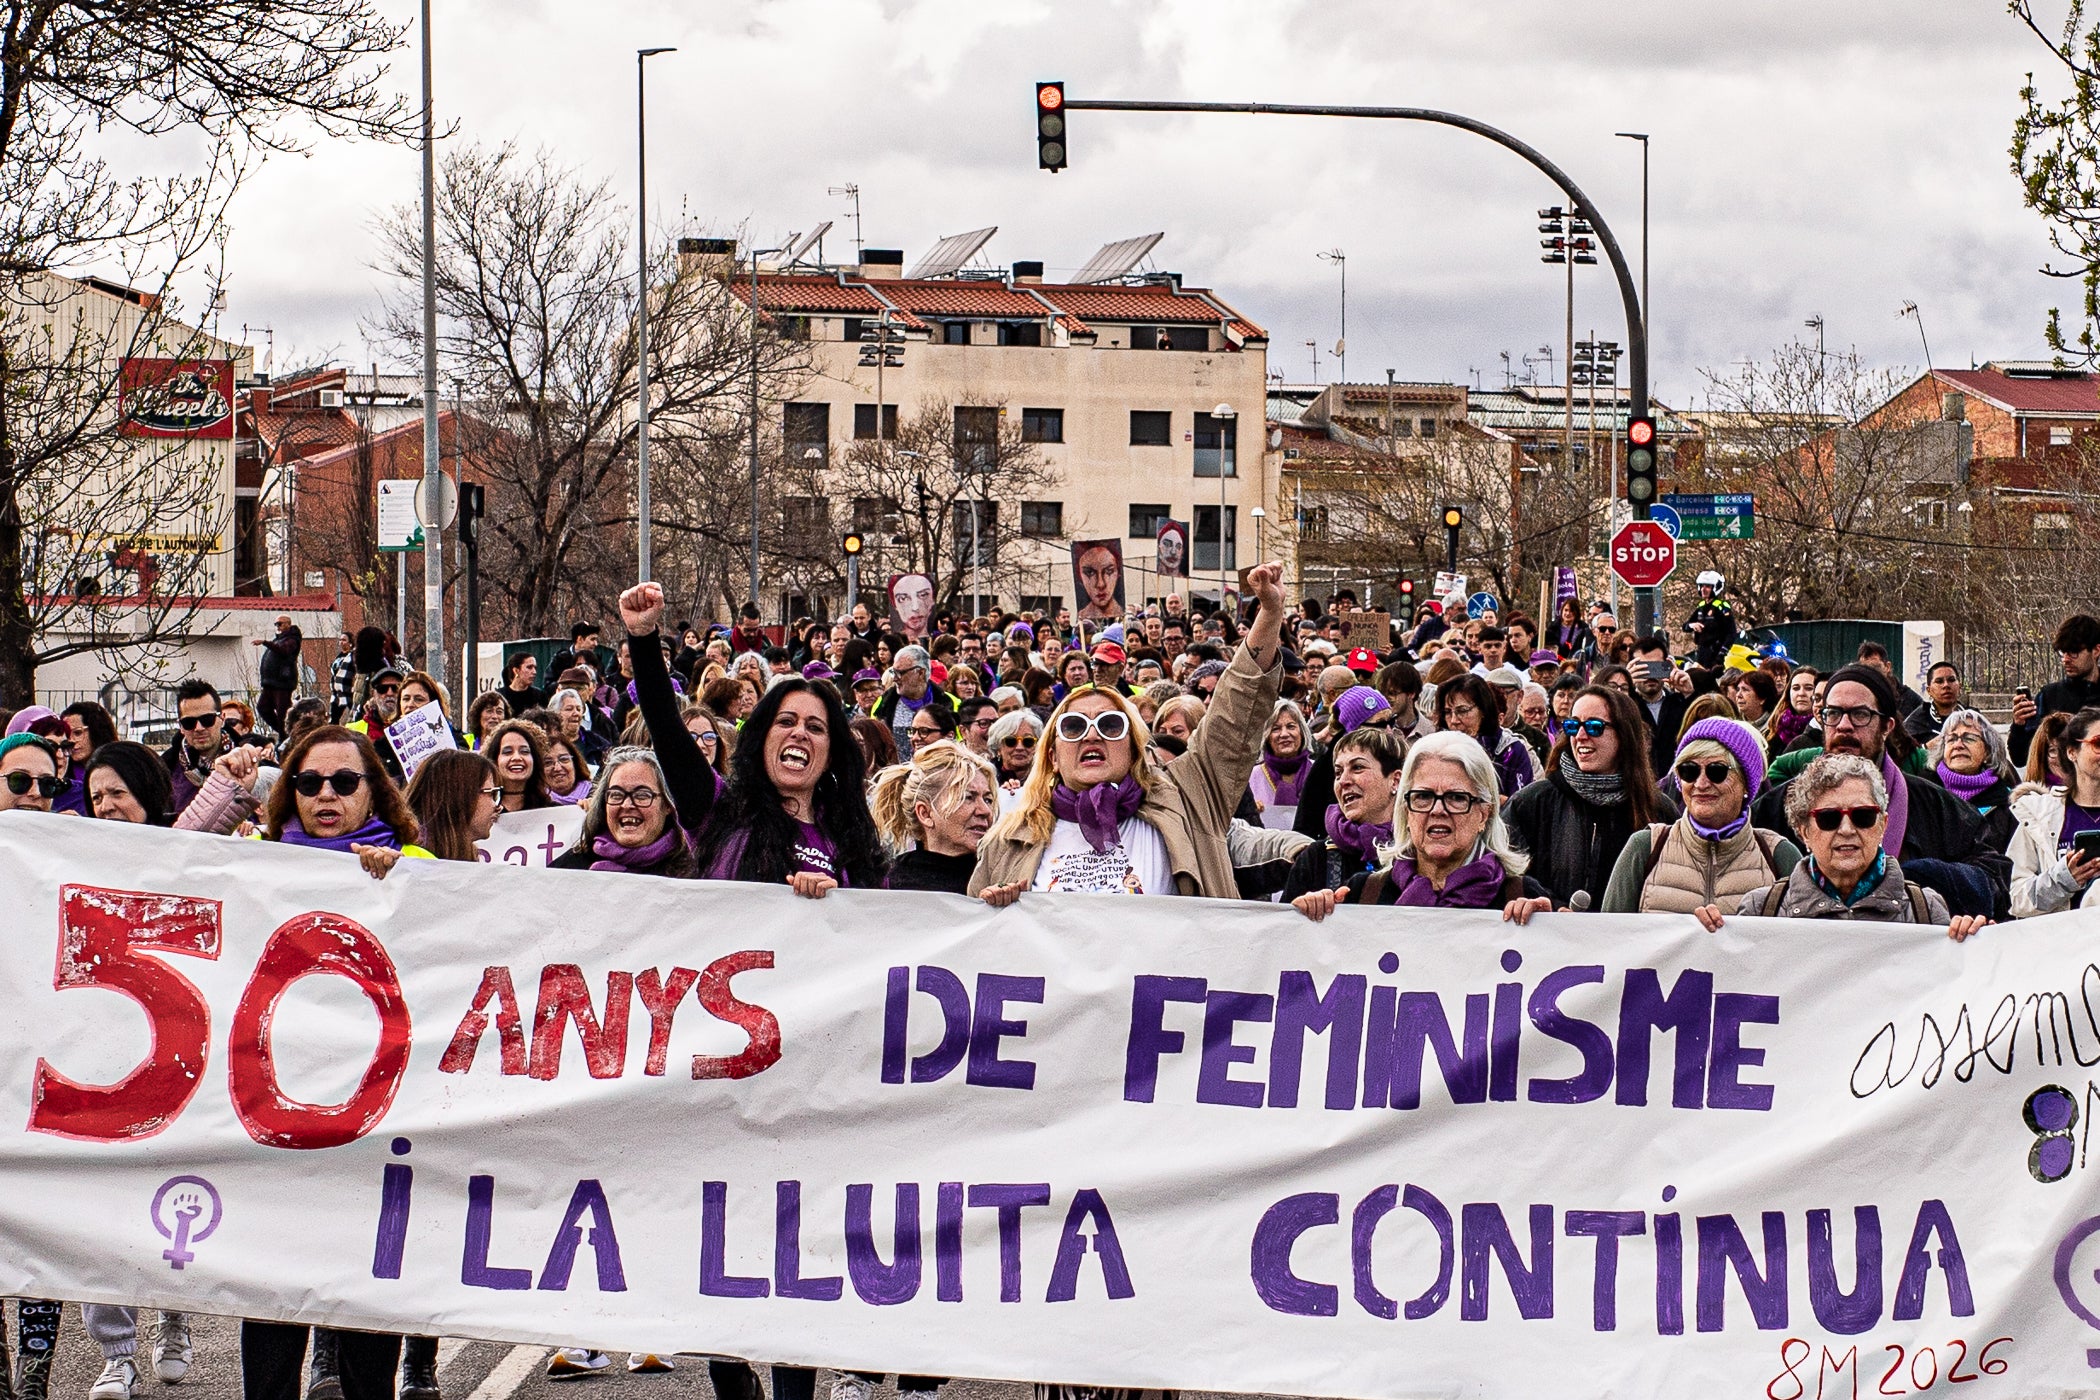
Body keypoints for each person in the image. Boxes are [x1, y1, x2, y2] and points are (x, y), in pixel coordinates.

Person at [970, 561, 1287, 901]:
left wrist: (1269, 613)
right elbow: (978, 937)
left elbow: (1233, 720)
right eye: (1074, 726)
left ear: (1135, 748)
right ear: (1053, 756)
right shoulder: (1008, 839)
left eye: (1110, 724)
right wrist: (997, 910)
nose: (1092, 736)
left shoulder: (1187, 799)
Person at [623, 582, 888, 894]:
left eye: (815, 727)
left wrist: (833, 901)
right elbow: (666, 727)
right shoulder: (719, 810)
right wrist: (642, 638)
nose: (799, 733)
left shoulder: (852, 837)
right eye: (786, 721)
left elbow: (874, 926)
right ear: (762, 740)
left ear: (831, 753)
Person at [1750, 665, 2011, 919]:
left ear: (1887, 726)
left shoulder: (1935, 805)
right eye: (1833, 714)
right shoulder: (1780, 806)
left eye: (1860, 714)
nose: (1844, 725)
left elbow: (1995, 882)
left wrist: (1923, 877)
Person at [1721, 753, 1986, 937]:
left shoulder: (1924, 909)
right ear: (1803, 832)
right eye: (1829, 818)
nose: (1847, 830)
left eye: (1863, 816)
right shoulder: (1762, 909)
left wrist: (1975, 946)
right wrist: (1706, 938)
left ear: (1882, 824)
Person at [1290, 731, 1548, 917]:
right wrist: (1313, 922)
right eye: (1423, 797)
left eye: (1456, 798)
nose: (1438, 810)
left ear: (1484, 814)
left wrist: (1553, 932)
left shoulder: (1520, 895)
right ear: (1406, 811)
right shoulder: (1363, 893)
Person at [1603, 719, 1799, 915]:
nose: (1701, 783)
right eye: (1689, 771)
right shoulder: (1645, 848)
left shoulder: (1778, 855)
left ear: (1746, 783)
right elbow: (1612, 938)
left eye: (1717, 771)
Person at [1507, 685, 1676, 912]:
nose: (1580, 736)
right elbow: (1501, 871)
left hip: (1628, 943)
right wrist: (1548, 904)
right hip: (1549, 941)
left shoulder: (1658, 810)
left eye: (1594, 727)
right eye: (1573, 725)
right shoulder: (1531, 802)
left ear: (1624, 734)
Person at [1280, 726, 1403, 901]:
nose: (1343, 781)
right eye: (1338, 772)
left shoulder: (1417, 853)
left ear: (1395, 780)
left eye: (1358, 768)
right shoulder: (1316, 858)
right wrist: (1307, 909)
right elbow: (1286, 925)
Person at [872, 740, 998, 895]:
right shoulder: (888, 886)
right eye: (967, 797)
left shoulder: (1002, 876)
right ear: (925, 813)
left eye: (988, 800)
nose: (985, 811)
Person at [2009, 706, 2100, 917]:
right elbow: (2016, 898)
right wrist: (2063, 881)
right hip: (2060, 944)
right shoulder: (2038, 815)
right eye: (2097, 743)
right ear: (2071, 752)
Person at [2011, 614, 2100, 767]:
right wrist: (2019, 726)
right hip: (2058, 786)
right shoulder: (2049, 696)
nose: (2066, 659)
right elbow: (2021, 758)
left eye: (2073, 652)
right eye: (2062, 652)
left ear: (2096, 650)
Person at [1932, 708, 2021, 855]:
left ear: (1988, 750)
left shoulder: (2007, 804)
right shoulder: (1928, 794)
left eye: (1969, 738)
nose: (1958, 745)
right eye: (1951, 739)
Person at [1435, 672, 1534, 797]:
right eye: (1447, 712)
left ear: (1483, 711)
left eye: (1463, 711)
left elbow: (1522, 805)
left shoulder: (1510, 750)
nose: (1454, 720)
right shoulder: (1437, 749)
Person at [403, 748, 502, 861]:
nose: (498, 807)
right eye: (491, 793)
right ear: (461, 797)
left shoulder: (463, 856)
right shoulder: (402, 861)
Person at [871, 645, 955, 762]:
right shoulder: (884, 703)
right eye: (893, 672)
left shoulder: (950, 703)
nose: (895, 678)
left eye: (900, 673)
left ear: (921, 673)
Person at [163, 678, 234, 816]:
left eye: (207, 720)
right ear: (181, 727)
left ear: (222, 719)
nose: (199, 728)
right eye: (189, 722)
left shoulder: (246, 764)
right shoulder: (164, 772)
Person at [1627, 635, 1692, 779]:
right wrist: (1626, 689)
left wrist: (1689, 694)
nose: (1650, 675)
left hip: (1676, 785)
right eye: (1644, 668)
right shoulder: (1626, 705)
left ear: (1666, 666)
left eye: (1656, 667)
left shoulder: (1680, 703)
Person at [1248, 700, 1314, 830]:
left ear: (1302, 732)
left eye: (1290, 726)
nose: (1284, 734)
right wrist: (1251, 812)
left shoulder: (1319, 771)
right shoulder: (1251, 777)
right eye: (1276, 729)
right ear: (1266, 736)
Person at [482, 718, 553, 813]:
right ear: (494, 760)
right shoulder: (478, 811)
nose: (517, 757)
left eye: (524, 751)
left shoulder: (551, 810)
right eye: (507, 752)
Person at [254, 613, 303, 735]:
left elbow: (283, 651)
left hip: (282, 682)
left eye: (280, 624)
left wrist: (265, 642)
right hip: (270, 683)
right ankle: (285, 732)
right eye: (276, 624)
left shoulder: (292, 640)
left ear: (288, 624)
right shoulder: (279, 639)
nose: (278, 626)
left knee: (282, 712)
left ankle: (286, 734)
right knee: (263, 708)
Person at [1905, 661, 1967, 749]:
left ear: (1959, 686)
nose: (1946, 685)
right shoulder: (1916, 721)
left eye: (1951, 680)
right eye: (1939, 681)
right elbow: (1905, 755)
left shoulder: (1973, 718)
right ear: (1929, 690)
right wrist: (1926, 747)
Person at [1683, 570, 1737, 669]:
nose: (1703, 589)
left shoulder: (1722, 607)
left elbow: (1731, 633)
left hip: (1715, 654)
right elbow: (1685, 626)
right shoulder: (1701, 606)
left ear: (1716, 587)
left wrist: (1722, 653)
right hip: (1701, 653)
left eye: (1707, 586)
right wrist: (1692, 625)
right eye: (1702, 586)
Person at [1767, 665, 1819, 752]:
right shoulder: (1772, 730)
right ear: (1789, 693)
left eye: (1809, 688)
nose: (1801, 693)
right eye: (1796, 688)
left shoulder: (1826, 731)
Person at [1074, 541, 1123, 623]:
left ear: (1118, 573)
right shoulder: (1082, 615)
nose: (1100, 584)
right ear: (1080, 576)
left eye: (1109, 571)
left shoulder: (1122, 612)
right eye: (1089, 573)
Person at [497, 651, 545, 716]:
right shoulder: (500, 696)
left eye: (535, 668)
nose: (534, 672)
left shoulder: (539, 696)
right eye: (529, 667)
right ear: (516, 670)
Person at [1550, 596, 1592, 661]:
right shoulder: (1553, 627)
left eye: (1571, 611)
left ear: (1576, 612)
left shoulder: (1584, 629)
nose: (1568, 613)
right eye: (1566, 610)